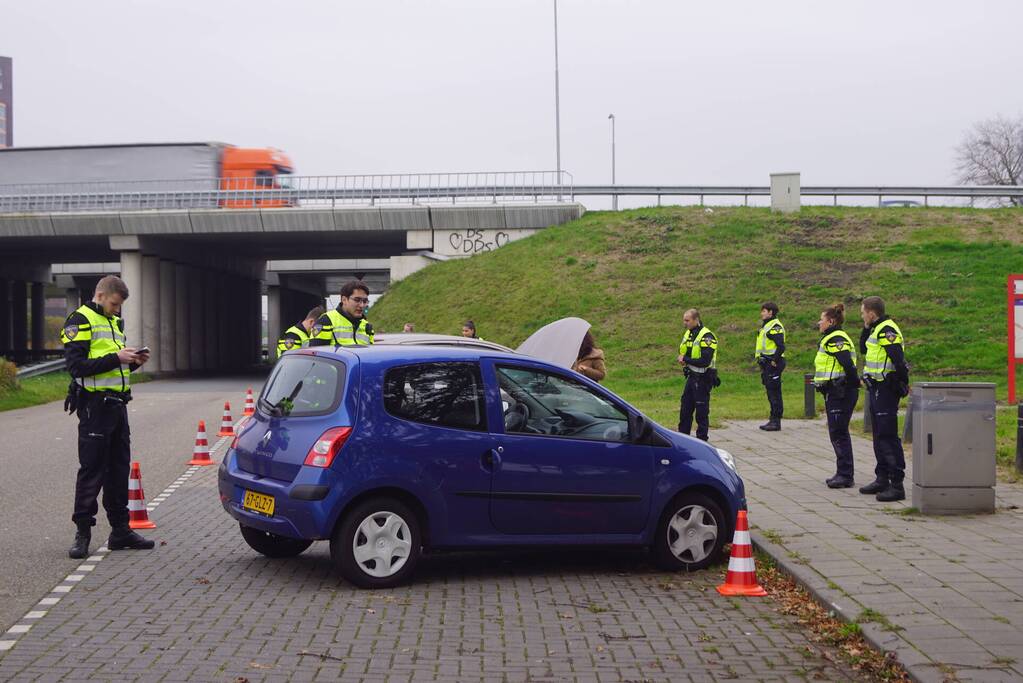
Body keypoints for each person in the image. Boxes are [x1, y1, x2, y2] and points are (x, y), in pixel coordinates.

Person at [61, 275, 155, 559]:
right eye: (114, 304)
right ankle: (82, 533)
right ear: (100, 295)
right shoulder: (80, 320)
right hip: (95, 407)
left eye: (119, 306)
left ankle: (120, 531)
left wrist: (133, 363)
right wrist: (118, 358)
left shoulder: (114, 322)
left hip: (118, 406)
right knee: (92, 470)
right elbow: (76, 367)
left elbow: (113, 369)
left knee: (118, 470)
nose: (117, 309)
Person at [858, 296, 910, 502]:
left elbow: (898, 359)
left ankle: (897, 485)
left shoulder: (887, 329)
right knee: (879, 435)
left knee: (888, 436)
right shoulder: (875, 329)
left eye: (863, 313)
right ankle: (882, 478)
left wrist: (902, 383)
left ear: (872, 313)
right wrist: (865, 327)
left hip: (886, 388)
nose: (862, 316)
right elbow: (863, 349)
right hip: (876, 387)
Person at [813, 303, 860, 489]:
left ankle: (846, 475)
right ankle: (842, 472)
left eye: (822, 320)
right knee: (837, 432)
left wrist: (851, 383)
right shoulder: (830, 338)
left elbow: (847, 364)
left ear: (831, 321)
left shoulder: (836, 338)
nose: (819, 323)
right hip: (834, 391)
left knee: (839, 433)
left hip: (840, 392)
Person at [677, 308, 718, 441]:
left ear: (696, 320)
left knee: (701, 412)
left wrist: (685, 359)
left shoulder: (707, 336)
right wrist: (684, 359)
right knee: (685, 409)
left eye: (687, 320)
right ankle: (683, 438)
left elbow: (705, 361)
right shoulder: (689, 333)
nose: (685, 323)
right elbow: (686, 351)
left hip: (703, 378)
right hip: (692, 377)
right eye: (684, 320)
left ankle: (702, 440)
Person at [309, 280, 375, 347]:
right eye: (357, 300)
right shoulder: (326, 321)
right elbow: (315, 352)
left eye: (365, 301)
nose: (362, 305)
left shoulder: (367, 326)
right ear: (344, 300)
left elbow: (371, 352)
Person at [755, 301, 786, 431]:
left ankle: (776, 421)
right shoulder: (767, 325)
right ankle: (772, 419)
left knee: (774, 393)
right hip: (767, 363)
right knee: (770, 392)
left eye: (764, 311)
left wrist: (774, 360)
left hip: (773, 363)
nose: (761, 313)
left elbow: (781, 346)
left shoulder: (774, 326)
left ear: (770, 312)